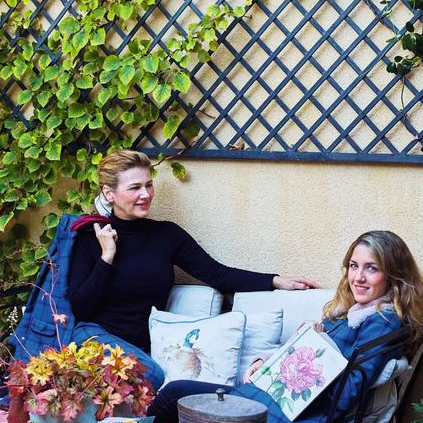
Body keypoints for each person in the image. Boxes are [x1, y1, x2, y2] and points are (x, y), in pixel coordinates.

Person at [145, 229, 423, 423]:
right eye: (354, 265)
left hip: (290, 413)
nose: (358, 277)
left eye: (372, 268)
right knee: (177, 392)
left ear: (393, 275)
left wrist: (316, 349)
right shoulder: (353, 313)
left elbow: (348, 390)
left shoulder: (383, 322)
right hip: (267, 396)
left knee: (174, 394)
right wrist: (267, 363)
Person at [66, 149, 320, 389]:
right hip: (95, 339)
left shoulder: (166, 235)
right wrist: (107, 256)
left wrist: (275, 280)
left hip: (141, 349)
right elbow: (81, 307)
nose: (146, 194)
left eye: (148, 184)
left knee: (158, 379)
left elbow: (217, 274)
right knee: (153, 376)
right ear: (109, 193)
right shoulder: (91, 236)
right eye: (135, 187)